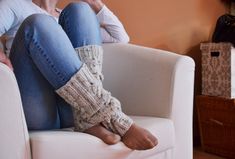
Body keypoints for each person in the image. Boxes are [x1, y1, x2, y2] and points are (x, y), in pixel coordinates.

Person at [0, 0, 158, 150]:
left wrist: (94, 3)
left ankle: (89, 121)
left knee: (80, 10)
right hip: (36, 109)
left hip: (73, 110)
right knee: (39, 23)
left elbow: (120, 38)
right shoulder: (15, 5)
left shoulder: (68, 20)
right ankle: (114, 118)